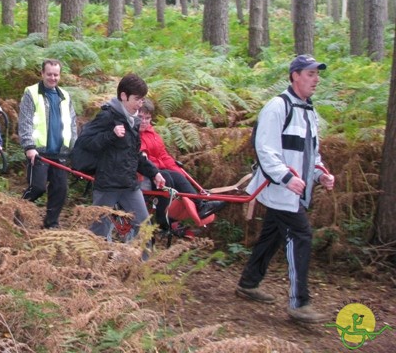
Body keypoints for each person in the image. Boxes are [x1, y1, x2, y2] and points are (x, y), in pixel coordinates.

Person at [235, 55, 335, 324]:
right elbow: (265, 150)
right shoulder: (277, 107)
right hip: (279, 190)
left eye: (317, 74)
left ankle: (248, 282)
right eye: (310, 74)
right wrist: (285, 178)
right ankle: (299, 303)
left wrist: (320, 174)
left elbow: (311, 153)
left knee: (272, 235)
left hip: (295, 192)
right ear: (295, 76)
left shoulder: (309, 111)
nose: (316, 79)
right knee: (301, 235)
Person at [76, 73, 165, 241]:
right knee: (98, 232)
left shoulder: (133, 121)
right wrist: (111, 135)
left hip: (130, 185)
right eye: (137, 99)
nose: (140, 104)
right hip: (107, 186)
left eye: (142, 99)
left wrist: (154, 173)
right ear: (123, 96)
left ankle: (143, 265)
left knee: (145, 228)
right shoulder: (107, 116)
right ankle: (92, 264)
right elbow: (85, 142)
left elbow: (135, 154)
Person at [137, 99, 226, 223]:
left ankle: (199, 206)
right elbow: (141, 159)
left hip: (156, 170)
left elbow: (163, 155)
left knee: (177, 175)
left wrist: (177, 169)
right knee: (167, 177)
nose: (144, 121)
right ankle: (164, 220)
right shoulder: (133, 134)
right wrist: (160, 167)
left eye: (147, 118)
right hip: (142, 174)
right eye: (140, 117)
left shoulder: (152, 134)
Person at [18, 59, 77, 229]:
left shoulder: (65, 96)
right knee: (37, 187)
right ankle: (17, 214)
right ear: (42, 73)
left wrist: (74, 148)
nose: (52, 78)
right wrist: (29, 146)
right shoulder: (32, 93)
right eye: (49, 74)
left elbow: (72, 123)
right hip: (38, 152)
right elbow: (25, 121)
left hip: (60, 153)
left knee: (60, 189)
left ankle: (51, 223)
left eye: (56, 75)